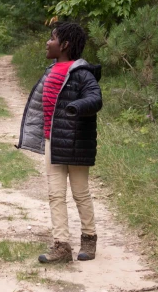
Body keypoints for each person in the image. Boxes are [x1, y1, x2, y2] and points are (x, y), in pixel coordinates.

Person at [16, 22, 102, 263]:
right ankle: (62, 246)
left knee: (80, 192)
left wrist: (77, 106)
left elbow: (95, 98)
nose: (47, 42)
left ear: (64, 45)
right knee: (55, 194)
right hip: (53, 143)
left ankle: (89, 238)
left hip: (75, 143)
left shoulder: (82, 73)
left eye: (52, 38)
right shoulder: (51, 71)